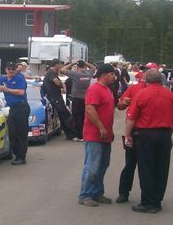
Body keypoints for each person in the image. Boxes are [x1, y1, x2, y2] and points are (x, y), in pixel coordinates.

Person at [124, 69, 173, 213]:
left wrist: (128, 135)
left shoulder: (142, 94)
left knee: (146, 168)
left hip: (146, 135)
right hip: (164, 135)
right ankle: (157, 200)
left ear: (146, 80)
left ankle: (147, 201)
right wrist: (169, 133)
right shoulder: (170, 95)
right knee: (161, 168)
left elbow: (131, 117)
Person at [78, 64, 117, 207]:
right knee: (92, 166)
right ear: (104, 75)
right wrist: (100, 126)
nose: (114, 77)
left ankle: (97, 193)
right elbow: (89, 109)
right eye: (112, 74)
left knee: (102, 165)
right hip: (95, 134)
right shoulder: (94, 89)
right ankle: (85, 195)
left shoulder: (107, 89)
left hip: (105, 134)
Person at [115, 68, 150, 204]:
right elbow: (120, 105)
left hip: (148, 132)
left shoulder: (158, 90)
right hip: (132, 131)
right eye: (144, 74)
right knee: (130, 164)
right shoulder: (134, 89)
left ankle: (147, 196)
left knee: (146, 166)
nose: (146, 77)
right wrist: (124, 103)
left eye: (149, 74)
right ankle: (123, 192)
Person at [0, 62, 29, 165]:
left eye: (13, 69)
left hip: (22, 107)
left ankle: (21, 157)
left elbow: (21, 92)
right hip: (12, 109)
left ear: (16, 70)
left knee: (21, 133)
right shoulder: (4, 79)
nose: (11, 71)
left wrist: (7, 89)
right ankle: (16, 154)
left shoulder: (20, 78)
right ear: (5, 70)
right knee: (12, 133)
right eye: (8, 69)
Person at [60, 59, 96, 141]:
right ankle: (85, 135)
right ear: (84, 66)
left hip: (76, 98)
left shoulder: (75, 74)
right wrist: (86, 62)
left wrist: (72, 63)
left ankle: (79, 136)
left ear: (77, 67)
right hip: (85, 99)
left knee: (77, 117)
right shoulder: (88, 73)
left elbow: (62, 70)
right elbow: (94, 67)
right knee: (84, 117)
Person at [42, 59, 76, 140]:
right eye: (59, 65)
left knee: (63, 115)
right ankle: (72, 134)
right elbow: (57, 82)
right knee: (65, 115)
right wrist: (63, 86)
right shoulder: (50, 73)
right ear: (56, 64)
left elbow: (61, 82)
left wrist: (63, 85)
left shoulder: (53, 73)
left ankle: (69, 134)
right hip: (54, 98)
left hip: (56, 97)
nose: (60, 67)